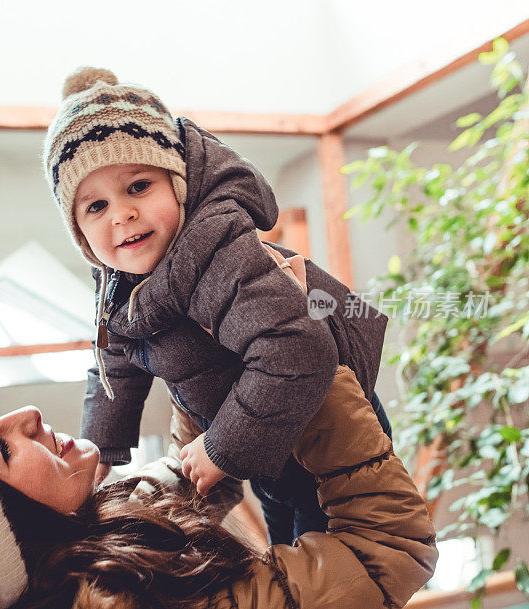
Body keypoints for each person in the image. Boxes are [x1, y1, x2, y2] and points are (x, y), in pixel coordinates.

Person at [41, 66, 392, 544]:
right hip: (269, 448)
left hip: (325, 447)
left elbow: (297, 348)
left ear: (178, 184)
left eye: (139, 186)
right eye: (95, 206)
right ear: (79, 231)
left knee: (319, 575)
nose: (122, 214)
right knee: (283, 551)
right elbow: (116, 359)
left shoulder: (218, 252)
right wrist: (101, 447)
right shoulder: (118, 282)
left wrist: (222, 448)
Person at [0, 365, 437, 609]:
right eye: (2, 449)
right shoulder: (136, 600)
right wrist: (306, 375)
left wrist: (204, 368)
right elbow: (389, 553)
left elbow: (180, 483)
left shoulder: (94, 535)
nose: (25, 415)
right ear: (7, 534)